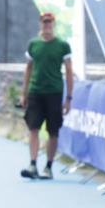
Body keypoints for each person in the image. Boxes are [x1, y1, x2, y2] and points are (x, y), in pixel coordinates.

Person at [18, 11, 73, 179]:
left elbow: (69, 71)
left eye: (49, 22)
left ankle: (48, 167)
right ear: (40, 23)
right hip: (35, 91)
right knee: (33, 128)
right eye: (44, 22)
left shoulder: (62, 45)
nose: (46, 25)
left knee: (53, 131)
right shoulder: (33, 44)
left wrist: (68, 98)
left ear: (53, 24)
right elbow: (28, 68)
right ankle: (33, 164)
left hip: (54, 92)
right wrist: (24, 93)